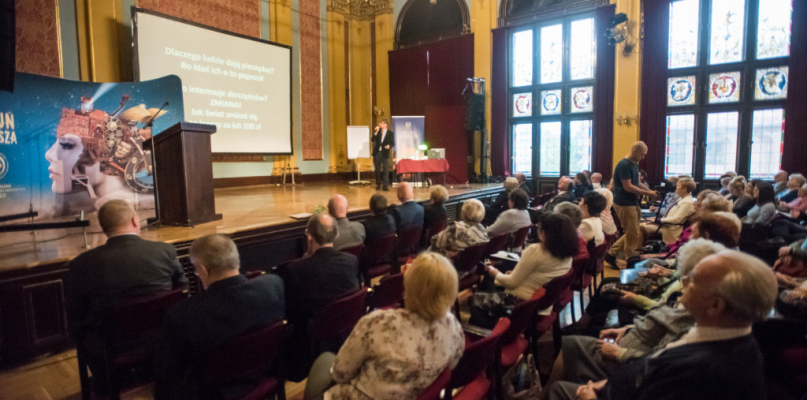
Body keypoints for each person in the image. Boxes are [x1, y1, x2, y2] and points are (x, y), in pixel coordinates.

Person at [547, 250, 777, 400]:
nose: (683, 280)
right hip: (622, 382)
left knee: (560, 391)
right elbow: (655, 365)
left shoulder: (707, 368)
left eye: (694, 280)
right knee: (570, 347)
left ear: (715, 306)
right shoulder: (719, 334)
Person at [304, 252, 464, 400]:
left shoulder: (378, 322)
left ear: (409, 286)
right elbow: (452, 365)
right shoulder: (455, 328)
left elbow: (340, 374)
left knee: (325, 360)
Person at [67, 200, 187, 395]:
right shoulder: (164, 251)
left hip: (110, 346)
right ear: (134, 220)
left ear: (103, 227)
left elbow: (76, 315)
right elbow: (181, 291)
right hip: (163, 336)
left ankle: (106, 383)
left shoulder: (82, 265)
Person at [154, 234, 285, 400]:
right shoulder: (273, 285)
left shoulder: (183, 314)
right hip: (261, 376)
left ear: (202, 269)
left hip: (212, 393)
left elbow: (167, 377)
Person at [486, 213, 577, 314]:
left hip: (520, 303)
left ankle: (487, 319)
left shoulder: (535, 251)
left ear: (545, 232)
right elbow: (541, 274)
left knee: (489, 275)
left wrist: (495, 273)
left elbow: (511, 283)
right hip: (544, 304)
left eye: (539, 227)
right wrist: (514, 274)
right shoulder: (569, 252)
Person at [284, 214, 360, 327]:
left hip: (312, 338)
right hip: (346, 328)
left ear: (309, 237)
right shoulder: (352, 260)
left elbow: (290, 314)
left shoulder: (295, 270)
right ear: (337, 235)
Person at [604, 142, 657, 267]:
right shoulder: (624, 165)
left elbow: (637, 182)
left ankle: (611, 254)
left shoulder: (634, 164)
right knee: (632, 232)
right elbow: (627, 187)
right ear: (634, 151)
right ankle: (630, 260)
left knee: (633, 232)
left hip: (632, 202)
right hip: (624, 202)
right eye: (642, 154)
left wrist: (649, 192)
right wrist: (647, 193)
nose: (643, 157)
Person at [642, 177, 696, 244]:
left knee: (641, 227)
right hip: (667, 226)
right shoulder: (682, 199)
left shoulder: (687, 202)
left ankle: (635, 252)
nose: (676, 187)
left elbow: (677, 219)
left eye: (678, 185)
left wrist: (658, 220)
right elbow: (670, 214)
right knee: (641, 224)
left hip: (671, 230)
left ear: (684, 189)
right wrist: (656, 220)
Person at [371, 120, 395, 191]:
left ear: (385, 124)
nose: (379, 124)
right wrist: (376, 131)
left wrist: (389, 146)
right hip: (377, 153)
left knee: (385, 170)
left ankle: (385, 185)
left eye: (381, 123)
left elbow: (393, 143)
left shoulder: (390, 133)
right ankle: (378, 184)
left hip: (385, 153)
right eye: (380, 123)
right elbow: (372, 140)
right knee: (377, 170)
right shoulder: (378, 132)